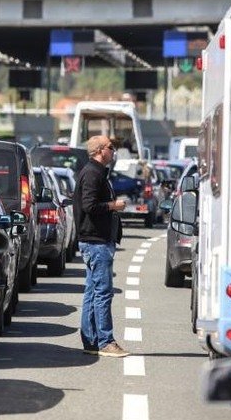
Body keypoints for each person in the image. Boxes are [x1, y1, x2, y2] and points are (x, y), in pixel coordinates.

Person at [74, 134, 129, 358]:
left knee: (92, 291)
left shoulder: (97, 172)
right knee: (103, 293)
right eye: (111, 147)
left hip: (96, 240)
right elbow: (89, 205)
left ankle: (91, 340)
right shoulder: (92, 173)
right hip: (96, 241)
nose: (113, 151)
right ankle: (105, 341)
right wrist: (113, 205)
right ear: (99, 150)